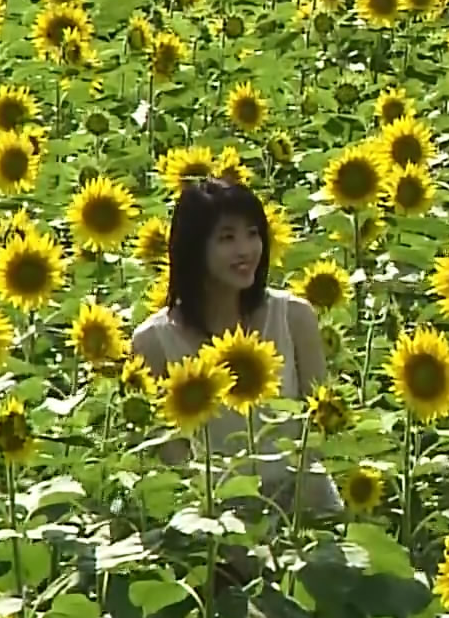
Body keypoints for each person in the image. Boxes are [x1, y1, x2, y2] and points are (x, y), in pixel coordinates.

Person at [133, 178, 343, 520]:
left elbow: (323, 426)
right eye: (227, 238)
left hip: (307, 515)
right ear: (193, 248)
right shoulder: (154, 343)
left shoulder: (293, 319)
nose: (245, 249)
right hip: (217, 523)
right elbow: (172, 461)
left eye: (252, 233)